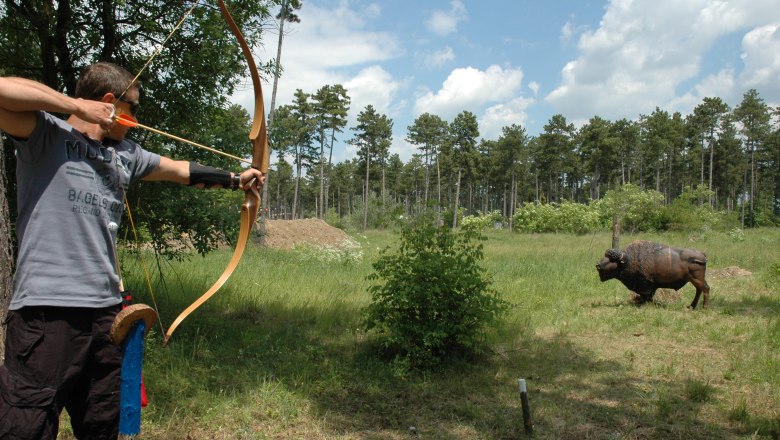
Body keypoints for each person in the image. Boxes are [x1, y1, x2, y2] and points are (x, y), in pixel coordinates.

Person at [0, 62, 264, 439]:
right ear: (109, 102)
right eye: (133, 108)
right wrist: (75, 105)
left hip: (106, 315)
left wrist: (237, 179)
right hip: (46, 312)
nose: (137, 118)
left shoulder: (126, 154)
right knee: (25, 428)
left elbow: (179, 169)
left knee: (102, 425)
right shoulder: (45, 134)